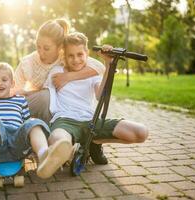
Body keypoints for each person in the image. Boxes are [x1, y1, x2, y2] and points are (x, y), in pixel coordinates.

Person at [43, 32, 148, 174]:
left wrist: (107, 63)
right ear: (64, 56)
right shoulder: (57, 72)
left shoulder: (93, 75)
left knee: (141, 132)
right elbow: (51, 84)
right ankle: (68, 151)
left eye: (80, 54)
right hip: (65, 120)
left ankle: (93, 142)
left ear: (86, 53)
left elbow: (100, 96)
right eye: (71, 55)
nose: (76, 60)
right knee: (58, 140)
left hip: (90, 121)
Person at [14, 19, 109, 165]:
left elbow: (99, 67)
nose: (40, 52)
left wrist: (68, 76)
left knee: (51, 98)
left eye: (46, 48)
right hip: (37, 102)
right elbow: (14, 89)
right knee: (30, 100)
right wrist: (22, 93)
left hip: (58, 109)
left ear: (60, 48)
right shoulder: (28, 62)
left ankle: (58, 146)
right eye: (38, 47)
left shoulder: (65, 57)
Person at [0, 62, 72, 179]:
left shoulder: (20, 100)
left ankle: (44, 155)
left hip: (16, 142)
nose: (0, 83)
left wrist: (32, 148)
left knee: (33, 124)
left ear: (12, 83)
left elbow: (26, 124)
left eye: (4, 80)